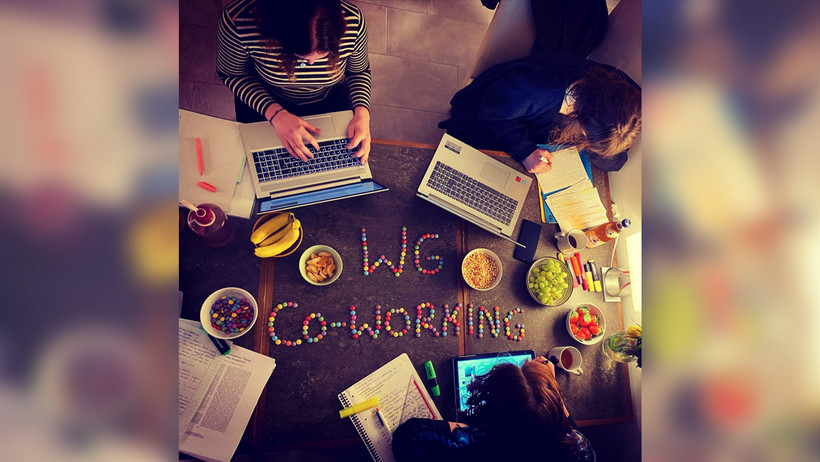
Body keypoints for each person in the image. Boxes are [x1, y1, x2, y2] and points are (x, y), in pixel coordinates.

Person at [217, 0, 372, 163]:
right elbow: (232, 74)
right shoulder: (238, 22)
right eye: (302, 55)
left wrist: (362, 113)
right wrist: (276, 114)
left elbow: (359, 71)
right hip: (267, 99)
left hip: (328, 98)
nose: (312, 62)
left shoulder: (353, 21)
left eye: (324, 53)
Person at [439, 51, 641, 174]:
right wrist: (525, 151)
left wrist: (607, 141)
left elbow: (616, 161)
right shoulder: (537, 91)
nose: (583, 138)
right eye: (585, 134)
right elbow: (492, 113)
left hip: (531, 117)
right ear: (577, 113)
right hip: (492, 110)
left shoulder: (624, 93)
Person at [391, 357, 595, 462]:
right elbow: (568, 426)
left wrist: (468, 428)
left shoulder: (473, 450)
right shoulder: (579, 450)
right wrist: (547, 388)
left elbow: (407, 437)